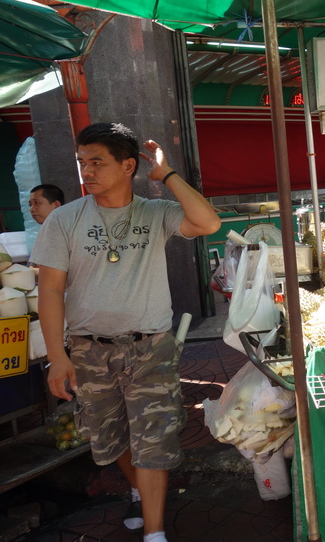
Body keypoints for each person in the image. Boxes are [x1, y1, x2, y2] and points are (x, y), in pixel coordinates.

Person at [31, 123, 221, 542]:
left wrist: (167, 175)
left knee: (154, 438)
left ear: (128, 165)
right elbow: (50, 288)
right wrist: (58, 356)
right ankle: (137, 488)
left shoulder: (154, 213)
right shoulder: (64, 220)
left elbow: (208, 222)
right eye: (82, 162)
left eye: (97, 162)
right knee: (109, 437)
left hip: (150, 346)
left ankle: (155, 534)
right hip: (88, 350)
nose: (87, 171)